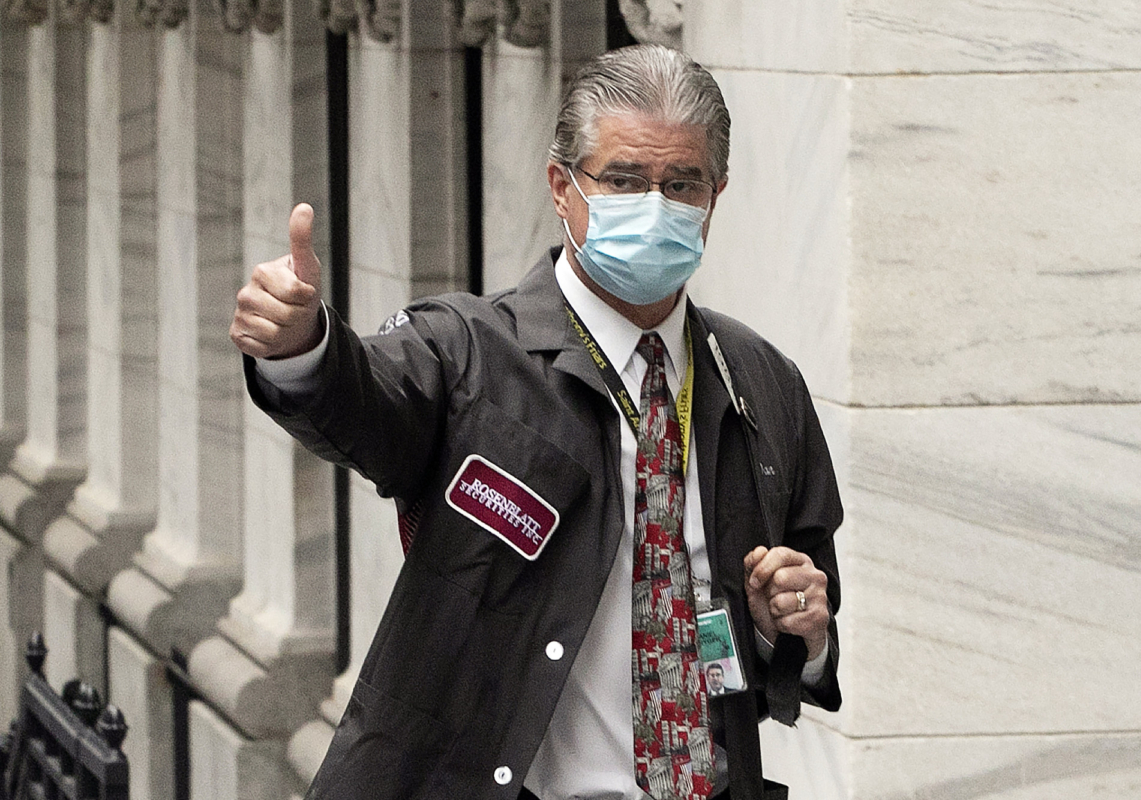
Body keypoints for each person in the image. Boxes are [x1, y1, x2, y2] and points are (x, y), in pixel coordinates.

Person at [231, 43, 841, 800]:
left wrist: (797, 633)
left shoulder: (760, 380)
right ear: (562, 187)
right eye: (622, 180)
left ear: (716, 194)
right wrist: (304, 348)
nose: (655, 206)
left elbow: (807, 628)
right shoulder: (470, 351)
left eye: (681, 184)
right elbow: (369, 405)